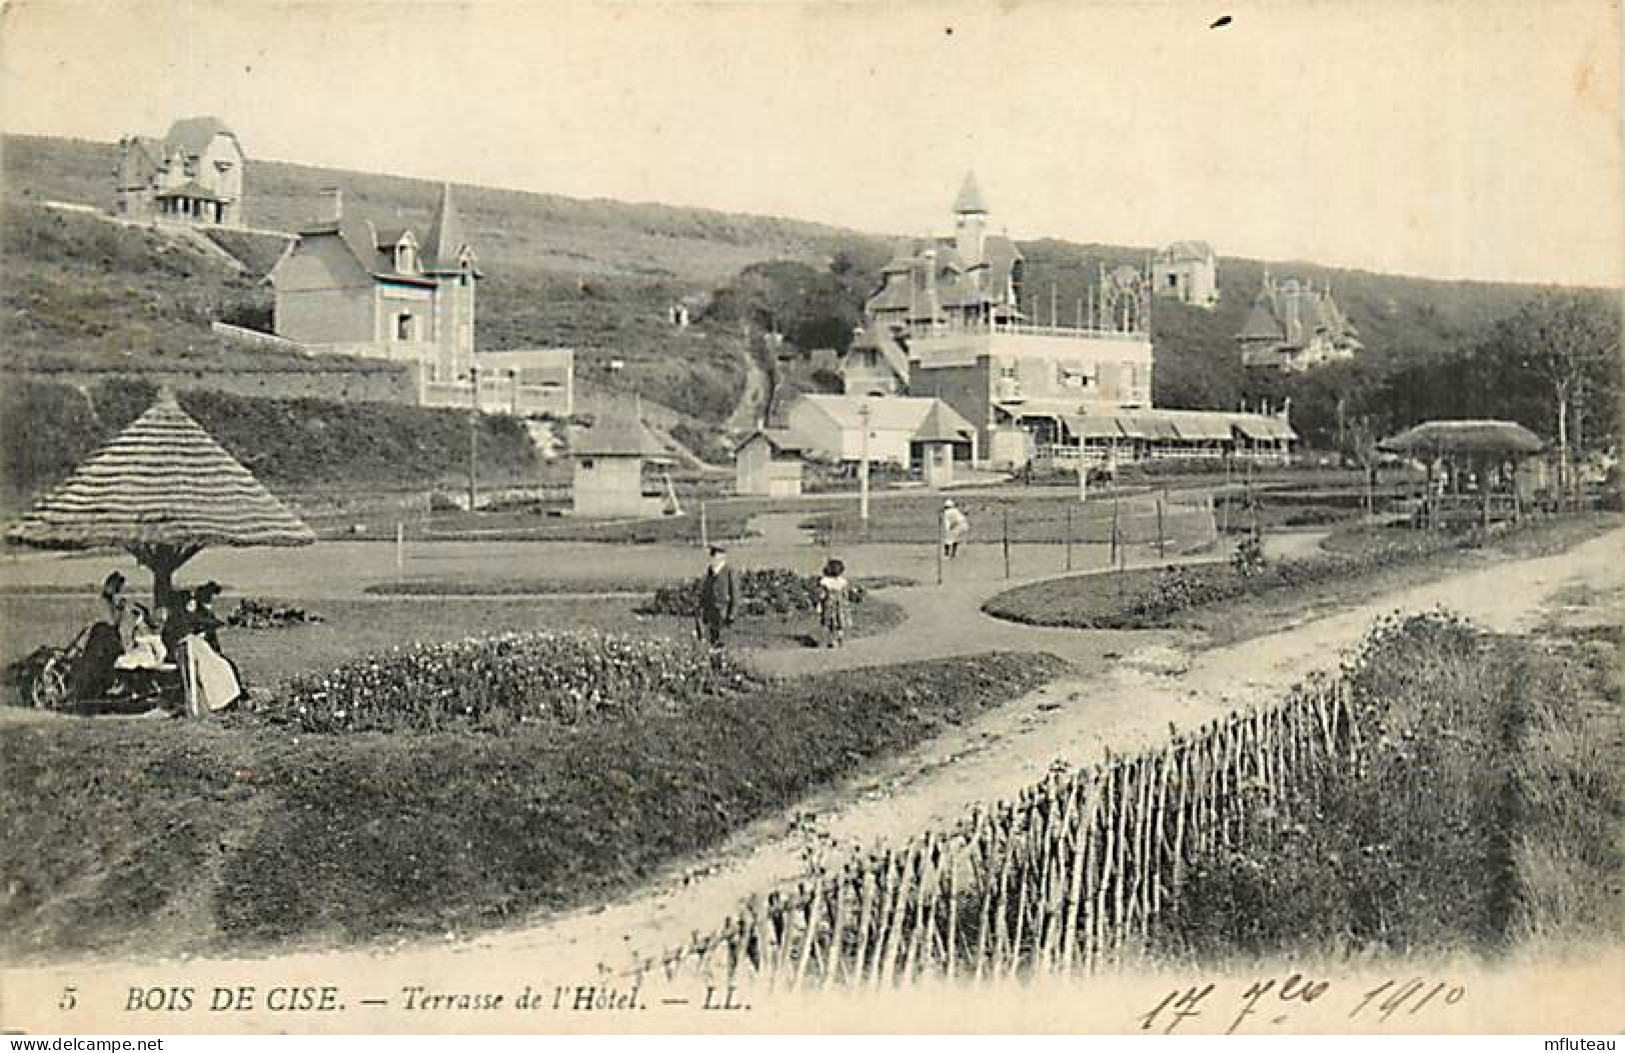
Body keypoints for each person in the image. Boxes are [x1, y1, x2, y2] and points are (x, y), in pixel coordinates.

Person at [695, 545, 737, 652]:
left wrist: (731, 615)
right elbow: (704, 592)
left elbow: (735, 595)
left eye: (716, 555)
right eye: (712, 555)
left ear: (722, 557)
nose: (713, 558)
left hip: (723, 613)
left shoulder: (729, 572)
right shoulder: (710, 572)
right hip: (710, 613)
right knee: (711, 642)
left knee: (722, 642)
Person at [817, 558, 852, 649]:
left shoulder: (825, 582)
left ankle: (831, 640)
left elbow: (822, 595)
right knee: (840, 622)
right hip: (840, 604)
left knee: (829, 623)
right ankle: (840, 639)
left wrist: (819, 604)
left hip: (829, 604)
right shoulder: (843, 581)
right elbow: (845, 594)